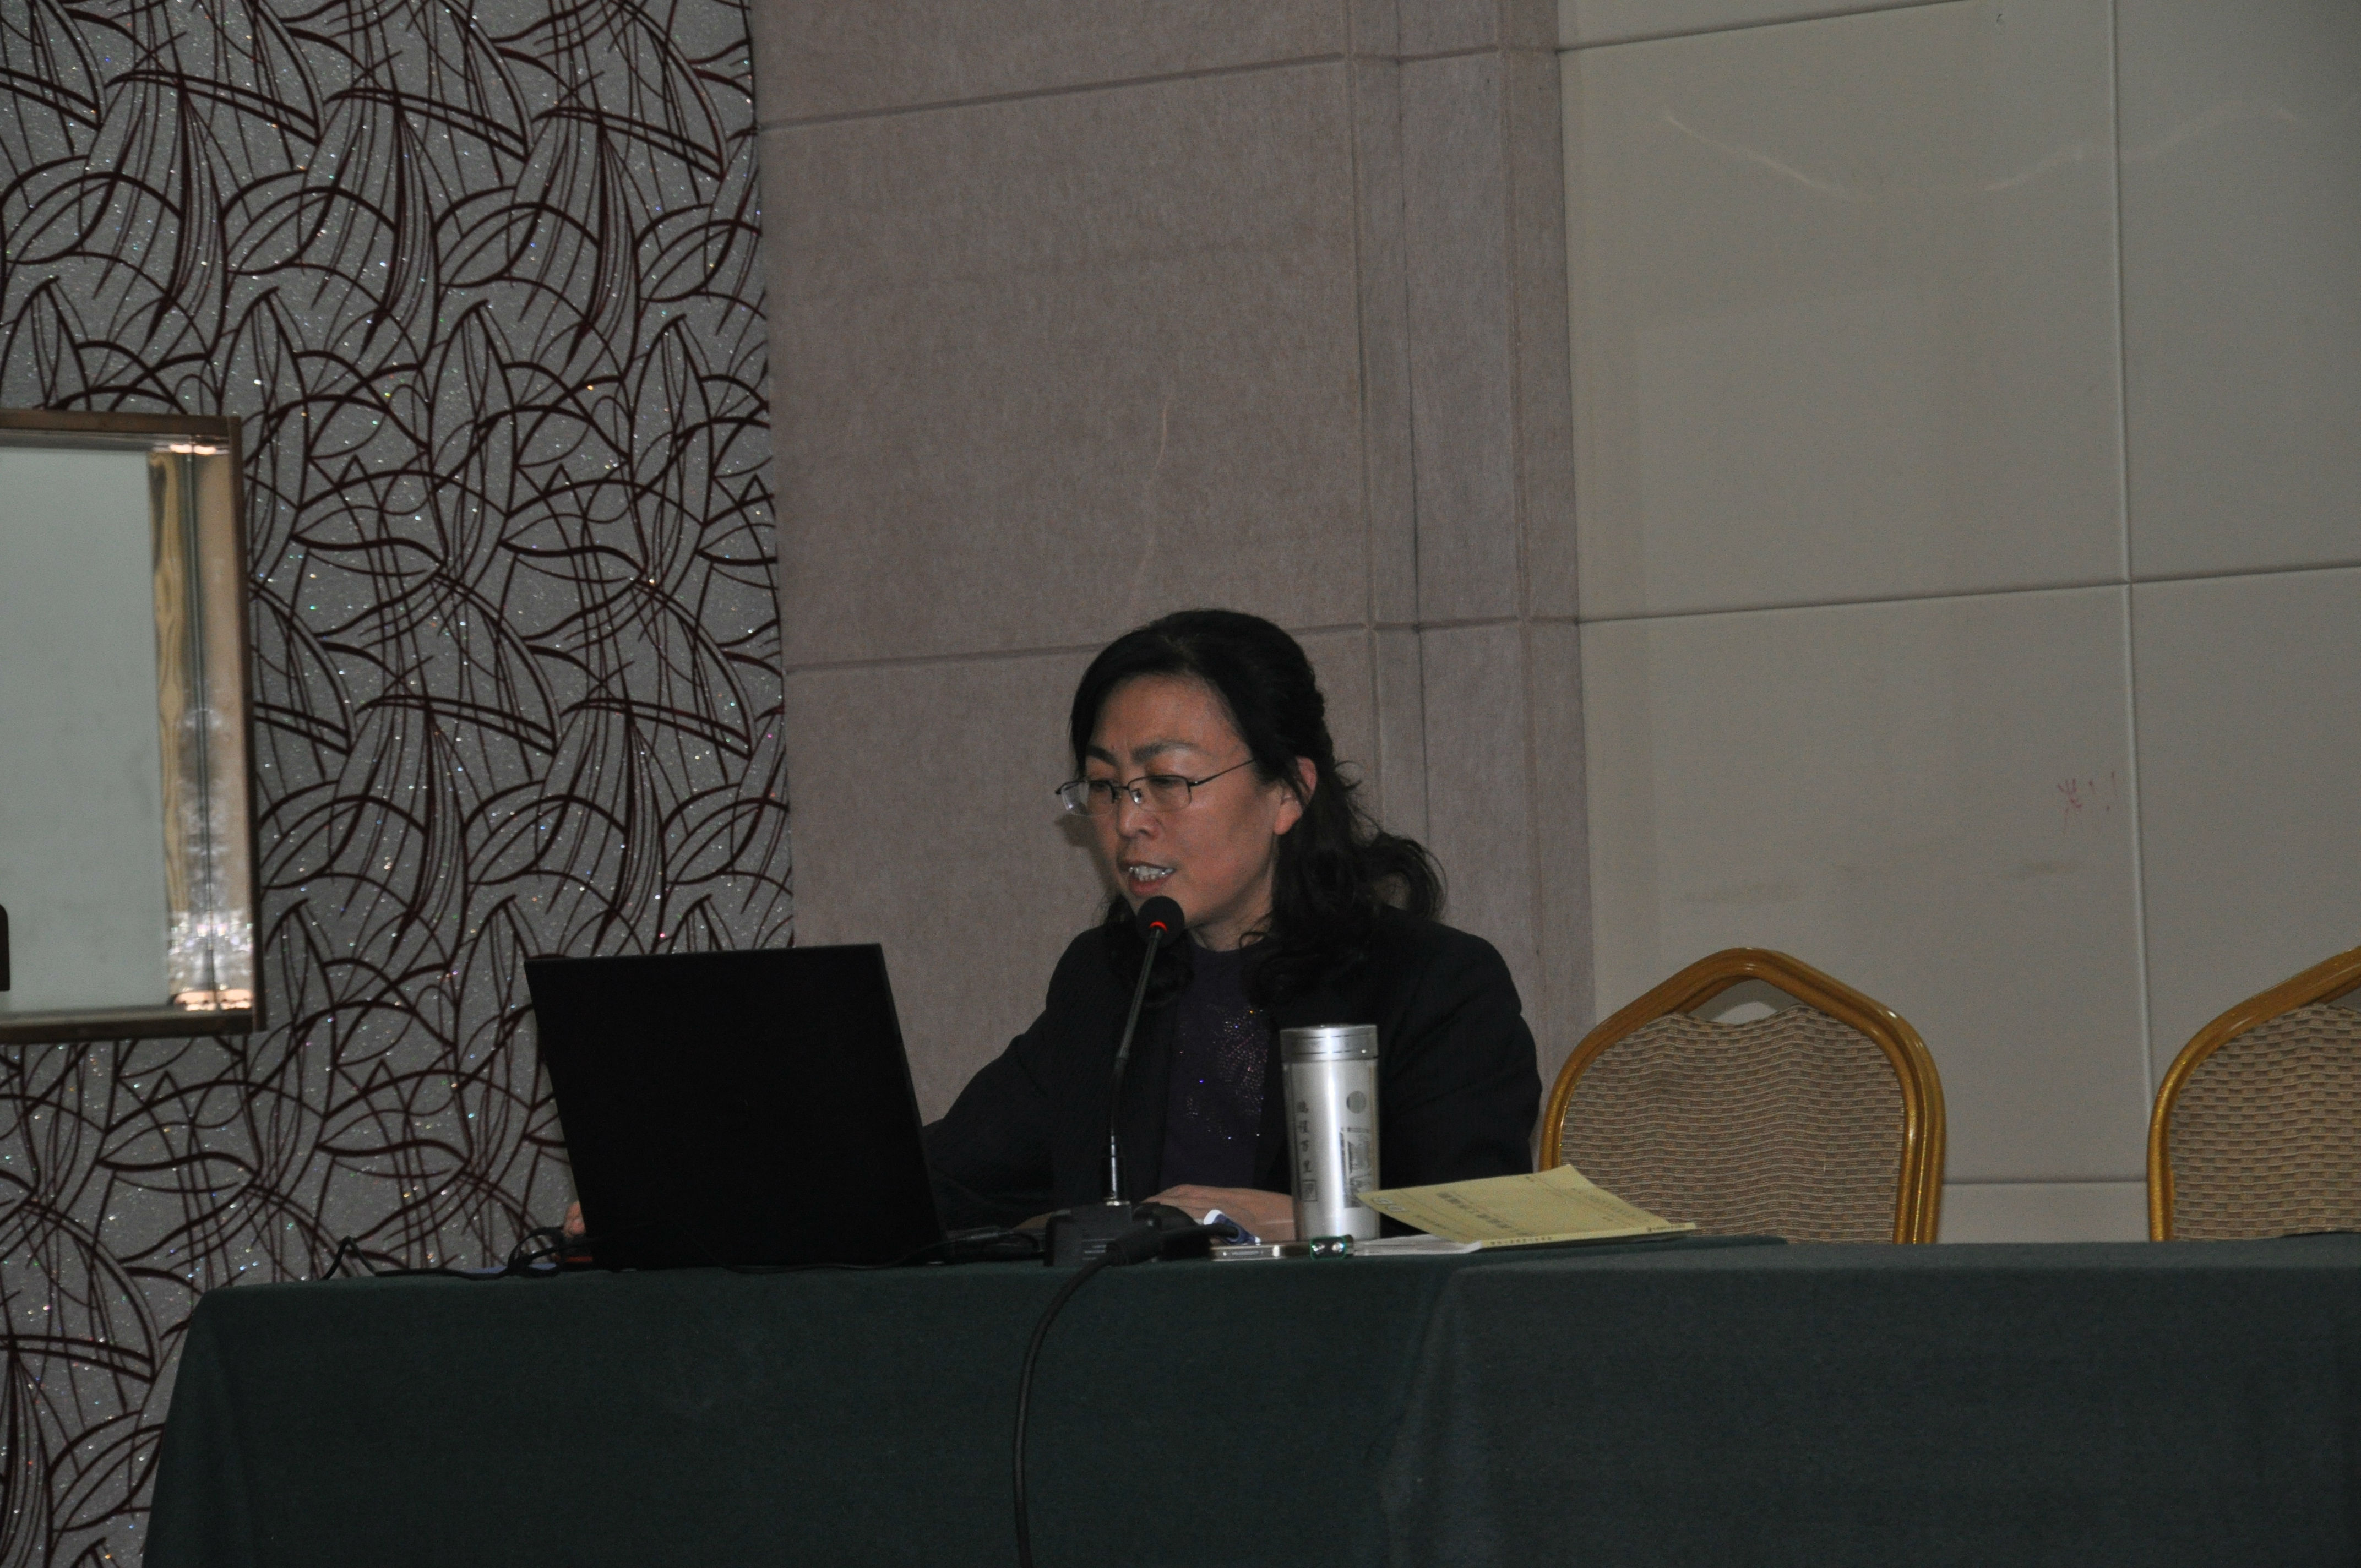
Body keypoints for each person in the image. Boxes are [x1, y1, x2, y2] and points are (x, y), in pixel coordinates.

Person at [925, 609, 1541, 1240]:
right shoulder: (1107, 981)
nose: (1128, 821)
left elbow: (1474, 1230)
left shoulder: (1433, 985)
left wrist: (1302, 1223)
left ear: (1289, 793)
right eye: (1106, 786)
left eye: (1167, 781)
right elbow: (943, 1184)